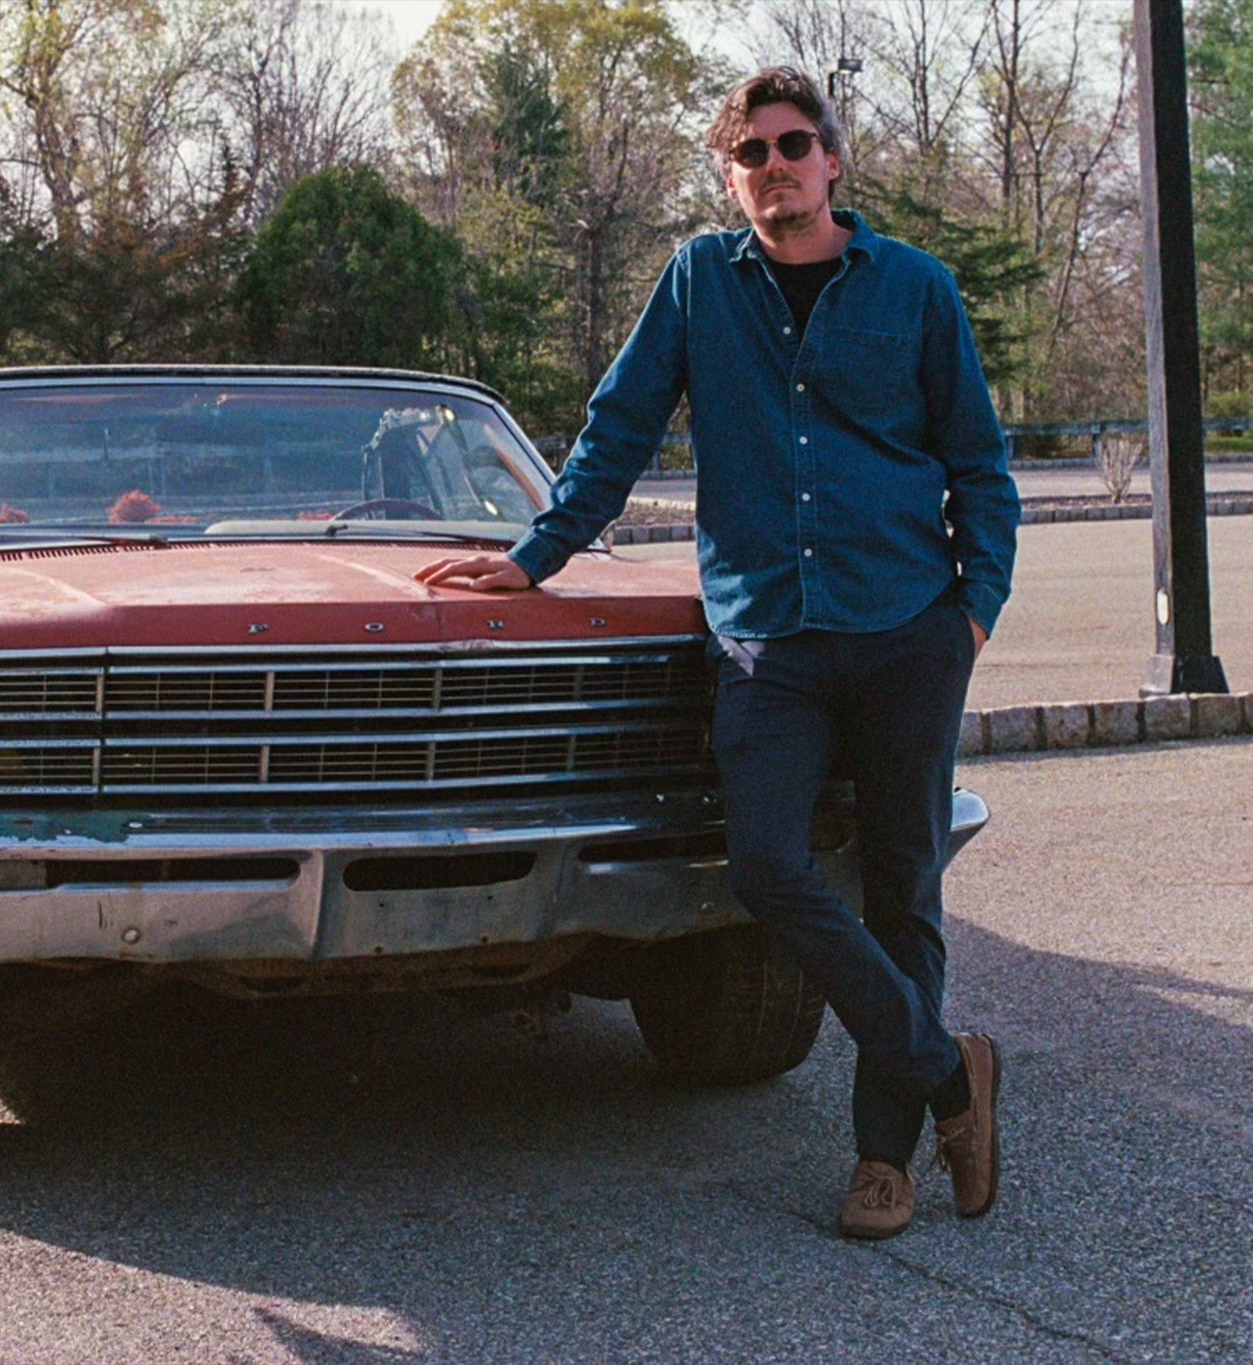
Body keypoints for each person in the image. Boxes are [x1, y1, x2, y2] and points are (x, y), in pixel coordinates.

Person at [415, 66, 1019, 1240]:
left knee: (902, 889)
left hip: (905, 630)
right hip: (766, 641)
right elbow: (618, 428)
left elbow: (980, 469)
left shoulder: (914, 289)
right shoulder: (697, 282)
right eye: (749, 152)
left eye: (792, 144)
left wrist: (972, 614)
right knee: (768, 871)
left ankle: (880, 1162)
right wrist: (535, 556)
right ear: (727, 172)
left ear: (832, 160)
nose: (773, 165)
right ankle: (949, 1070)